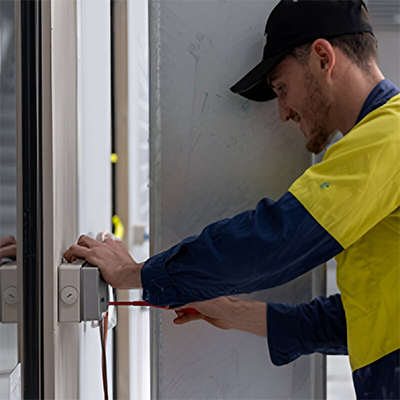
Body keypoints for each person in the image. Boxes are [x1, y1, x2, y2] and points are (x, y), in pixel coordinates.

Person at [64, 1, 400, 398]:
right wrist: (230, 310)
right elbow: (361, 323)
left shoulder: (389, 138)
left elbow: (277, 238)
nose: (282, 113)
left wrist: (137, 273)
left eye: (281, 88)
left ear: (323, 57)